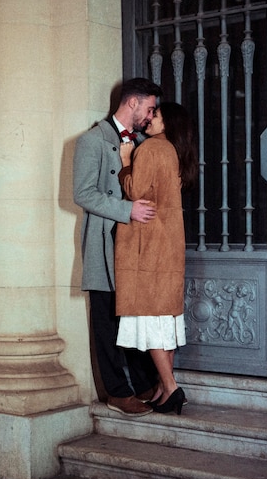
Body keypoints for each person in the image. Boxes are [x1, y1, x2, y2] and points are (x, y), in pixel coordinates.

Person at [73, 78, 162, 416]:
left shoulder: (141, 142)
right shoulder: (91, 141)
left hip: (135, 242)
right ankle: (116, 391)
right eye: (149, 108)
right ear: (132, 103)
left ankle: (144, 384)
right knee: (107, 318)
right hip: (106, 240)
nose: (150, 115)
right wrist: (128, 210)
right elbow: (82, 194)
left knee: (134, 313)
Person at [115, 102, 198, 414]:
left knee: (151, 318)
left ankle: (172, 388)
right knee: (165, 320)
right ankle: (165, 387)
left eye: (156, 115)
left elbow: (135, 190)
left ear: (168, 123)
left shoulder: (151, 149)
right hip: (168, 246)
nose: (149, 119)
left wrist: (125, 163)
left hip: (149, 246)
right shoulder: (176, 153)